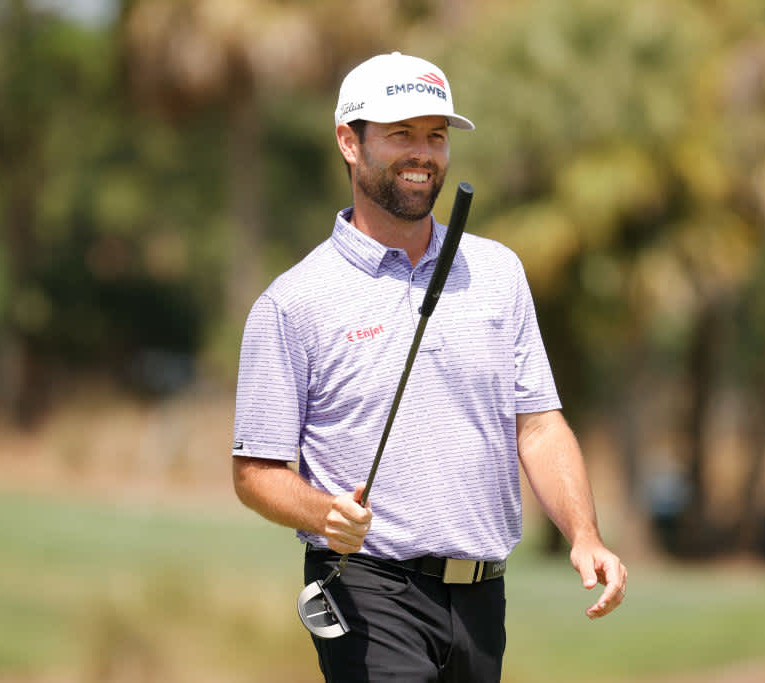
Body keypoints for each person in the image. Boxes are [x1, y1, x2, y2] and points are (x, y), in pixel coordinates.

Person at [231, 51, 626, 682]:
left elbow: (540, 426)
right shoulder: (292, 303)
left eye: (436, 137)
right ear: (349, 143)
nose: (423, 153)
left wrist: (584, 533)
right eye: (401, 135)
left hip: (481, 597)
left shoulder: (498, 273)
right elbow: (255, 471)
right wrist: (321, 514)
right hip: (368, 588)